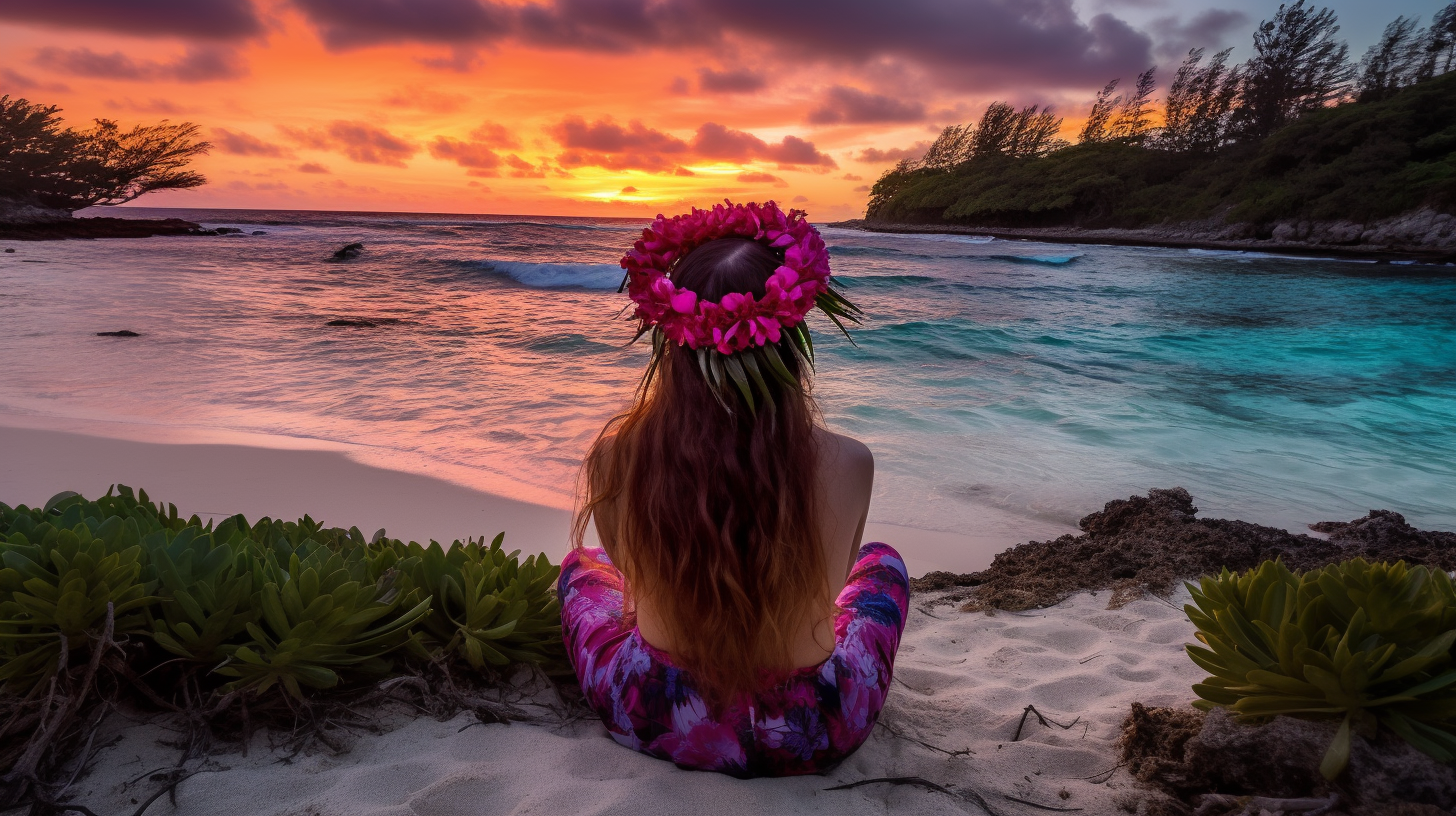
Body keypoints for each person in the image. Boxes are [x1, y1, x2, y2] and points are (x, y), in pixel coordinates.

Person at [559, 201, 910, 777]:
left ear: (669, 336)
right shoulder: (849, 461)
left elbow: (630, 576)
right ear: (790, 333)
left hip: (658, 715)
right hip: (814, 729)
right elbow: (836, 581)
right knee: (881, 565)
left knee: (583, 568)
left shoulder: (616, 455)